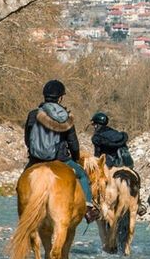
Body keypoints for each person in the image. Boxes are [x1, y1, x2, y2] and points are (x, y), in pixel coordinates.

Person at [24, 80, 97, 221]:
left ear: (44, 95)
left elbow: (27, 139)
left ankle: (23, 209)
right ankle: (88, 210)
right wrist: (75, 159)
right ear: (60, 98)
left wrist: (34, 154)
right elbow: (73, 143)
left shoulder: (33, 114)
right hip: (60, 159)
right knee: (82, 176)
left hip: (36, 160)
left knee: (22, 182)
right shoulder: (65, 117)